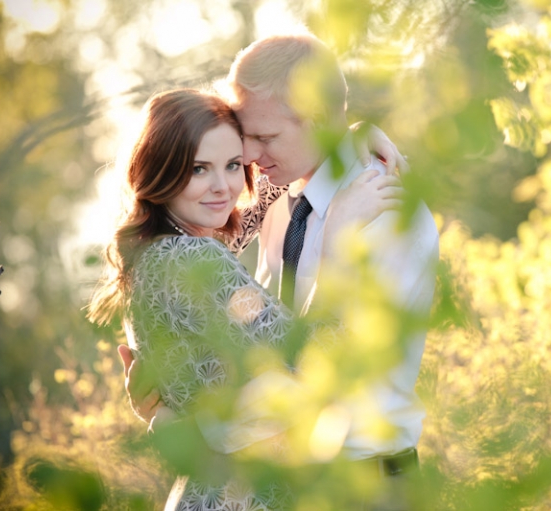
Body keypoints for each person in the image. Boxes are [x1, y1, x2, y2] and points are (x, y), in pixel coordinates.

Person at [87, 88, 405, 510]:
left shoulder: (156, 252)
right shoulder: (193, 258)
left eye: (234, 165)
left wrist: (347, 135)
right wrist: (337, 237)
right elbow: (311, 362)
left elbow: (262, 196)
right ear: (159, 169)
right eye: (199, 168)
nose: (223, 186)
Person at [228, 33, 439, 509]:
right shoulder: (277, 200)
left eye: (265, 137)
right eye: (247, 136)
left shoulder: (386, 210)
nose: (249, 155)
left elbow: (327, 366)